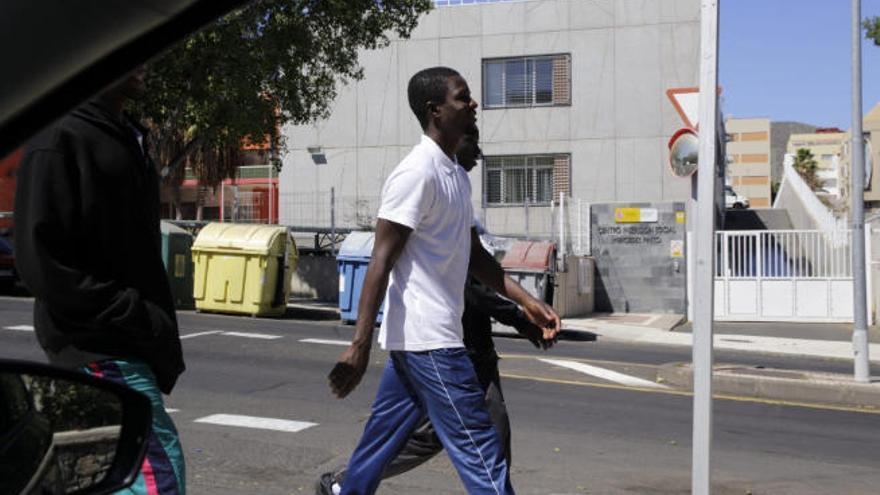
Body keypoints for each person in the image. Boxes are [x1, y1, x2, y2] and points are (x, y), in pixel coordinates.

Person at [327, 66, 561, 495]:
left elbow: (475, 257)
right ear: (436, 111)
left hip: (419, 341)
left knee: (378, 446)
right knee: (480, 447)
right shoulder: (417, 173)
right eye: (462, 97)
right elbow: (381, 259)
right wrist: (359, 346)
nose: (473, 104)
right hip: (431, 340)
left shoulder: (452, 173)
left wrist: (527, 301)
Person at [14, 67, 187, 494]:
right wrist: (135, 316)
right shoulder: (60, 136)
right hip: (101, 347)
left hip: (125, 345)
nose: (146, 61)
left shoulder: (122, 132)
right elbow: (41, 260)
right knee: (159, 479)